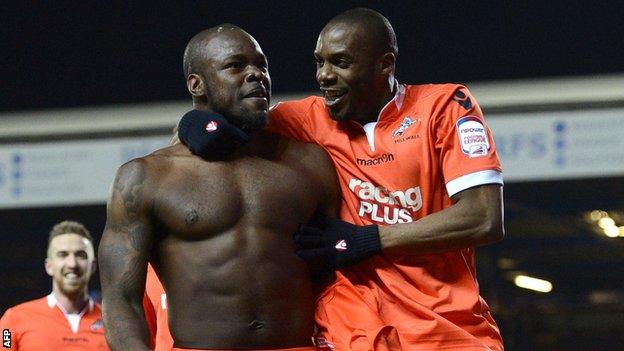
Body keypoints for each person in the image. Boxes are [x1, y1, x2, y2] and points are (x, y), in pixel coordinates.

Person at [179, 8, 505, 351]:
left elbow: (484, 218)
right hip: (354, 332)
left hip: (447, 328)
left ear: (385, 65)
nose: (324, 76)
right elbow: (226, 120)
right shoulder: (306, 119)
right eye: (320, 62)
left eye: (341, 63)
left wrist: (368, 240)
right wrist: (193, 124)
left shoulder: (444, 106)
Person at [98, 24, 340, 351]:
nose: (257, 74)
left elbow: (340, 273)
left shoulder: (309, 164)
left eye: (262, 65)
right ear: (197, 84)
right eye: (236, 66)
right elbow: (121, 299)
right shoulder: (145, 177)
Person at [0, 221, 109, 351]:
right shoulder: (13, 320)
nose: (72, 264)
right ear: (49, 266)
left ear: (93, 266)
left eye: (80, 255)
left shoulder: (113, 323)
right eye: (63, 255)